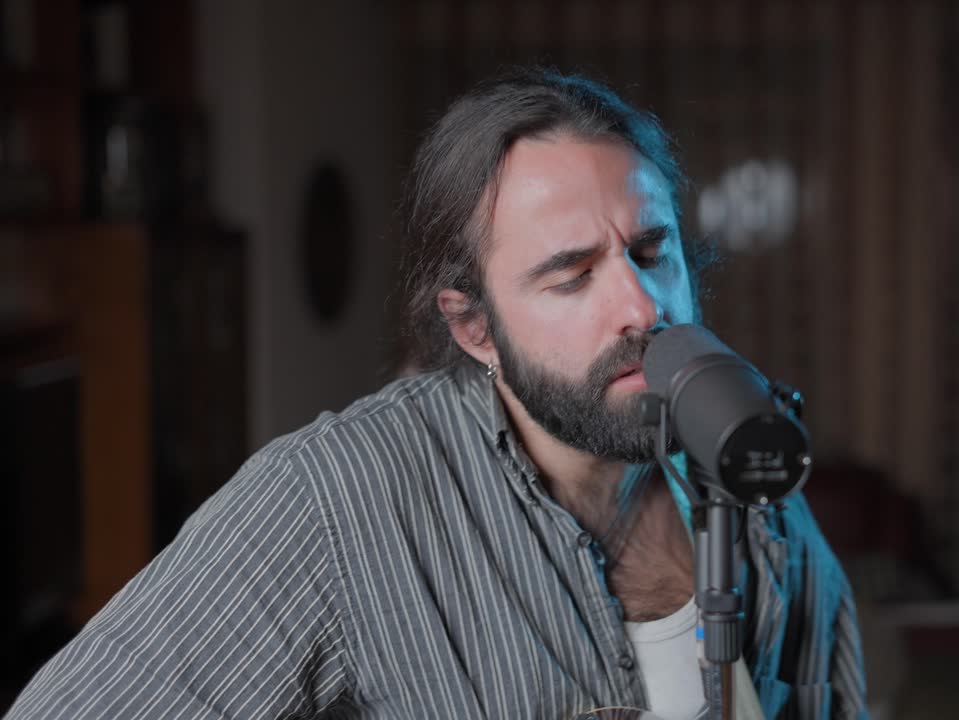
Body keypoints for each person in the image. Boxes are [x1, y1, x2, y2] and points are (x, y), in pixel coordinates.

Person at [6, 69, 867, 719]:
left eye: (650, 252)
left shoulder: (747, 460)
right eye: (572, 276)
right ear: (474, 328)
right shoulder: (335, 499)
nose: (642, 307)